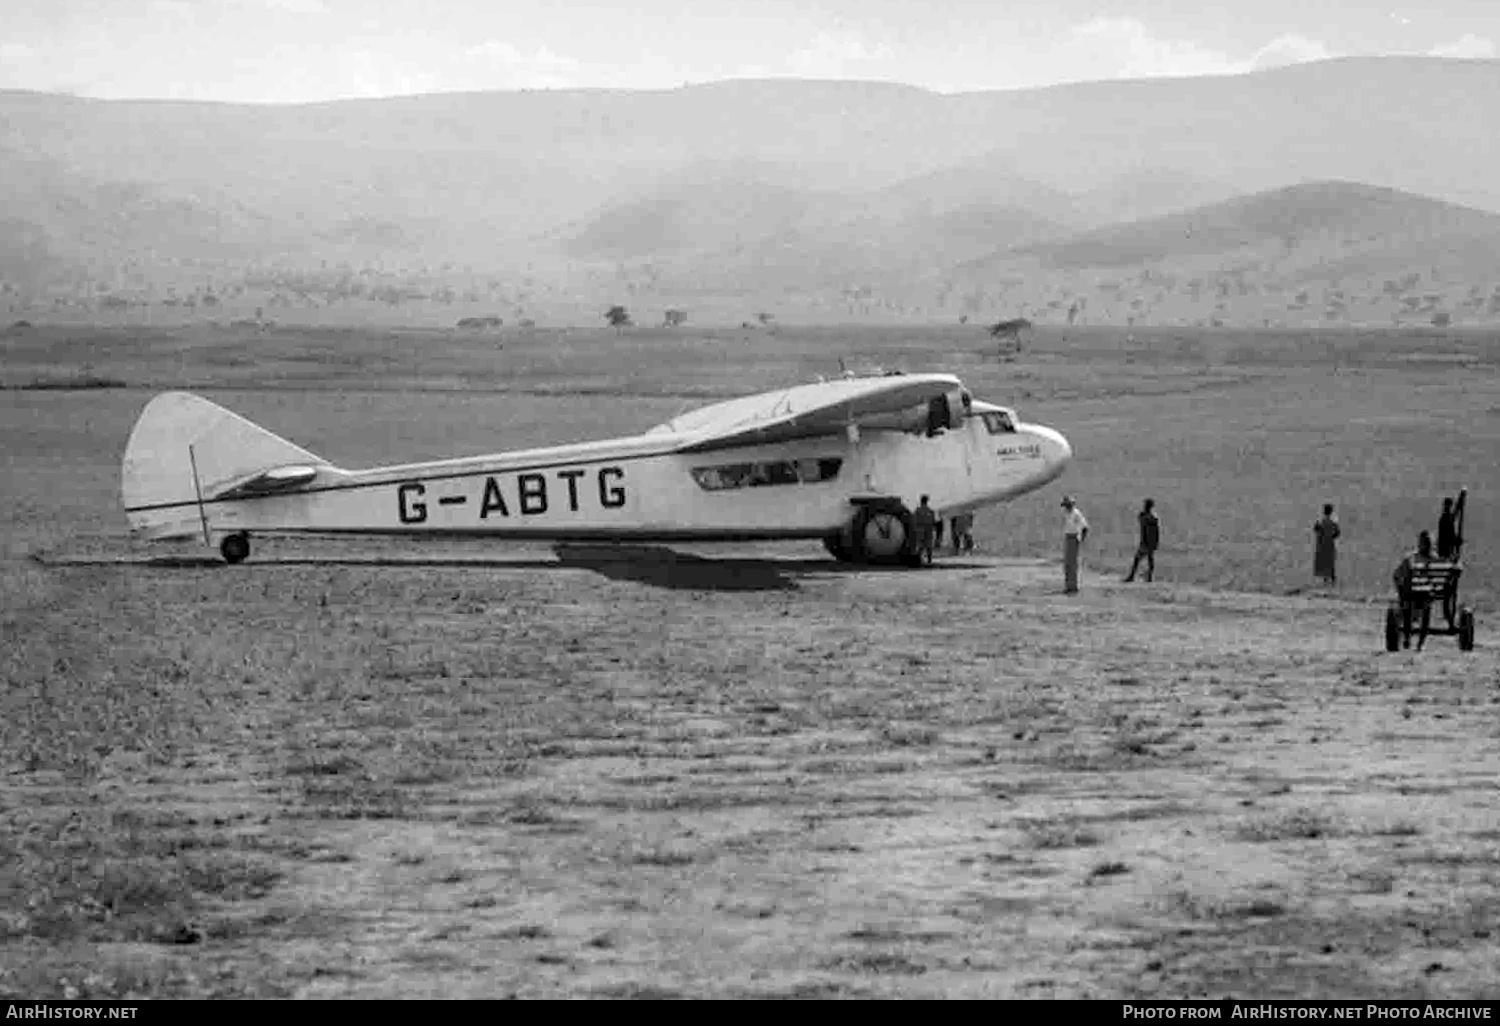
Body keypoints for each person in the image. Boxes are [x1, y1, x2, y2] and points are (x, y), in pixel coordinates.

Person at [1393, 530, 1436, 650]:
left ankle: (1407, 638)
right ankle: (1421, 643)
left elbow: (1396, 575)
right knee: (1426, 605)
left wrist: (1401, 591)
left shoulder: (1411, 558)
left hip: (1412, 596)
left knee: (1407, 601)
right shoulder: (1437, 560)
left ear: (1420, 543)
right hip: (1427, 596)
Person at [1123, 498, 1160, 583]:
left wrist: (1155, 541)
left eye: (1146, 504)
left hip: (1147, 541)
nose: (1144, 506)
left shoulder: (1150, 517)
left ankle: (1132, 576)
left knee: (1138, 558)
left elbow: (1155, 530)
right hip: (1148, 541)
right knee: (1149, 558)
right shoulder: (1150, 516)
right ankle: (1149, 577)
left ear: (1149, 506)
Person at [1061, 495, 1089, 593]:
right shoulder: (1066, 513)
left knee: (1072, 564)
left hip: (1074, 538)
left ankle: (1073, 587)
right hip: (1068, 538)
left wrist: (1081, 539)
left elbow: (1085, 527)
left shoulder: (1076, 513)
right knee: (1067, 564)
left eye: (1066, 505)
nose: (1065, 507)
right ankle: (1068, 586)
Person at [1313, 503, 1340, 586]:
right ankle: (1333, 580)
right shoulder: (1333, 522)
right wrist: (1331, 537)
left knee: (1324, 561)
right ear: (1331, 511)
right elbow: (1337, 533)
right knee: (1331, 562)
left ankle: (1326, 580)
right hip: (1330, 544)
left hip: (1321, 544)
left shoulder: (1320, 521)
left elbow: (1316, 529)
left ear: (1324, 511)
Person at [912, 495, 938, 565]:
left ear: (921, 501)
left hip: (920, 530)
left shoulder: (917, 510)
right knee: (929, 547)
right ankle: (929, 561)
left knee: (920, 546)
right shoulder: (930, 511)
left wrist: (915, 530)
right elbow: (933, 522)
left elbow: (914, 521)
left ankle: (918, 560)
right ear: (926, 501)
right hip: (928, 530)